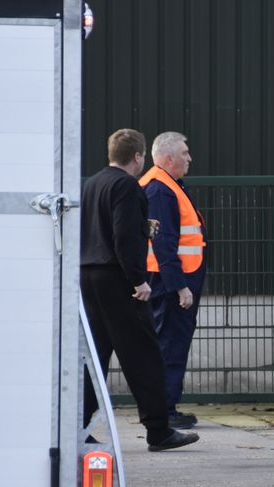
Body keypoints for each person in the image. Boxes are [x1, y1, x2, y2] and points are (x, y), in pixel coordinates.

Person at [80, 128, 199, 452]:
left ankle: (79, 427)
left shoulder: (92, 184)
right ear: (137, 156)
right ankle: (158, 430)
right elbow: (125, 237)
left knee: (95, 356)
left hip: (88, 276)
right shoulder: (126, 186)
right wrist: (138, 280)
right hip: (118, 279)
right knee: (144, 355)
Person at [141, 132, 206, 430]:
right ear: (168, 158)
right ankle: (164, 410)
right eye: (184, 153)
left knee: (169, 343)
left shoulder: (166, 185)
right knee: (170, 345)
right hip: (169, 283)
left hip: (168, 279)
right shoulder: (160, 190)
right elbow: (164, 242)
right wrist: (179, 285)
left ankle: (165, 407)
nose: (189, 158)